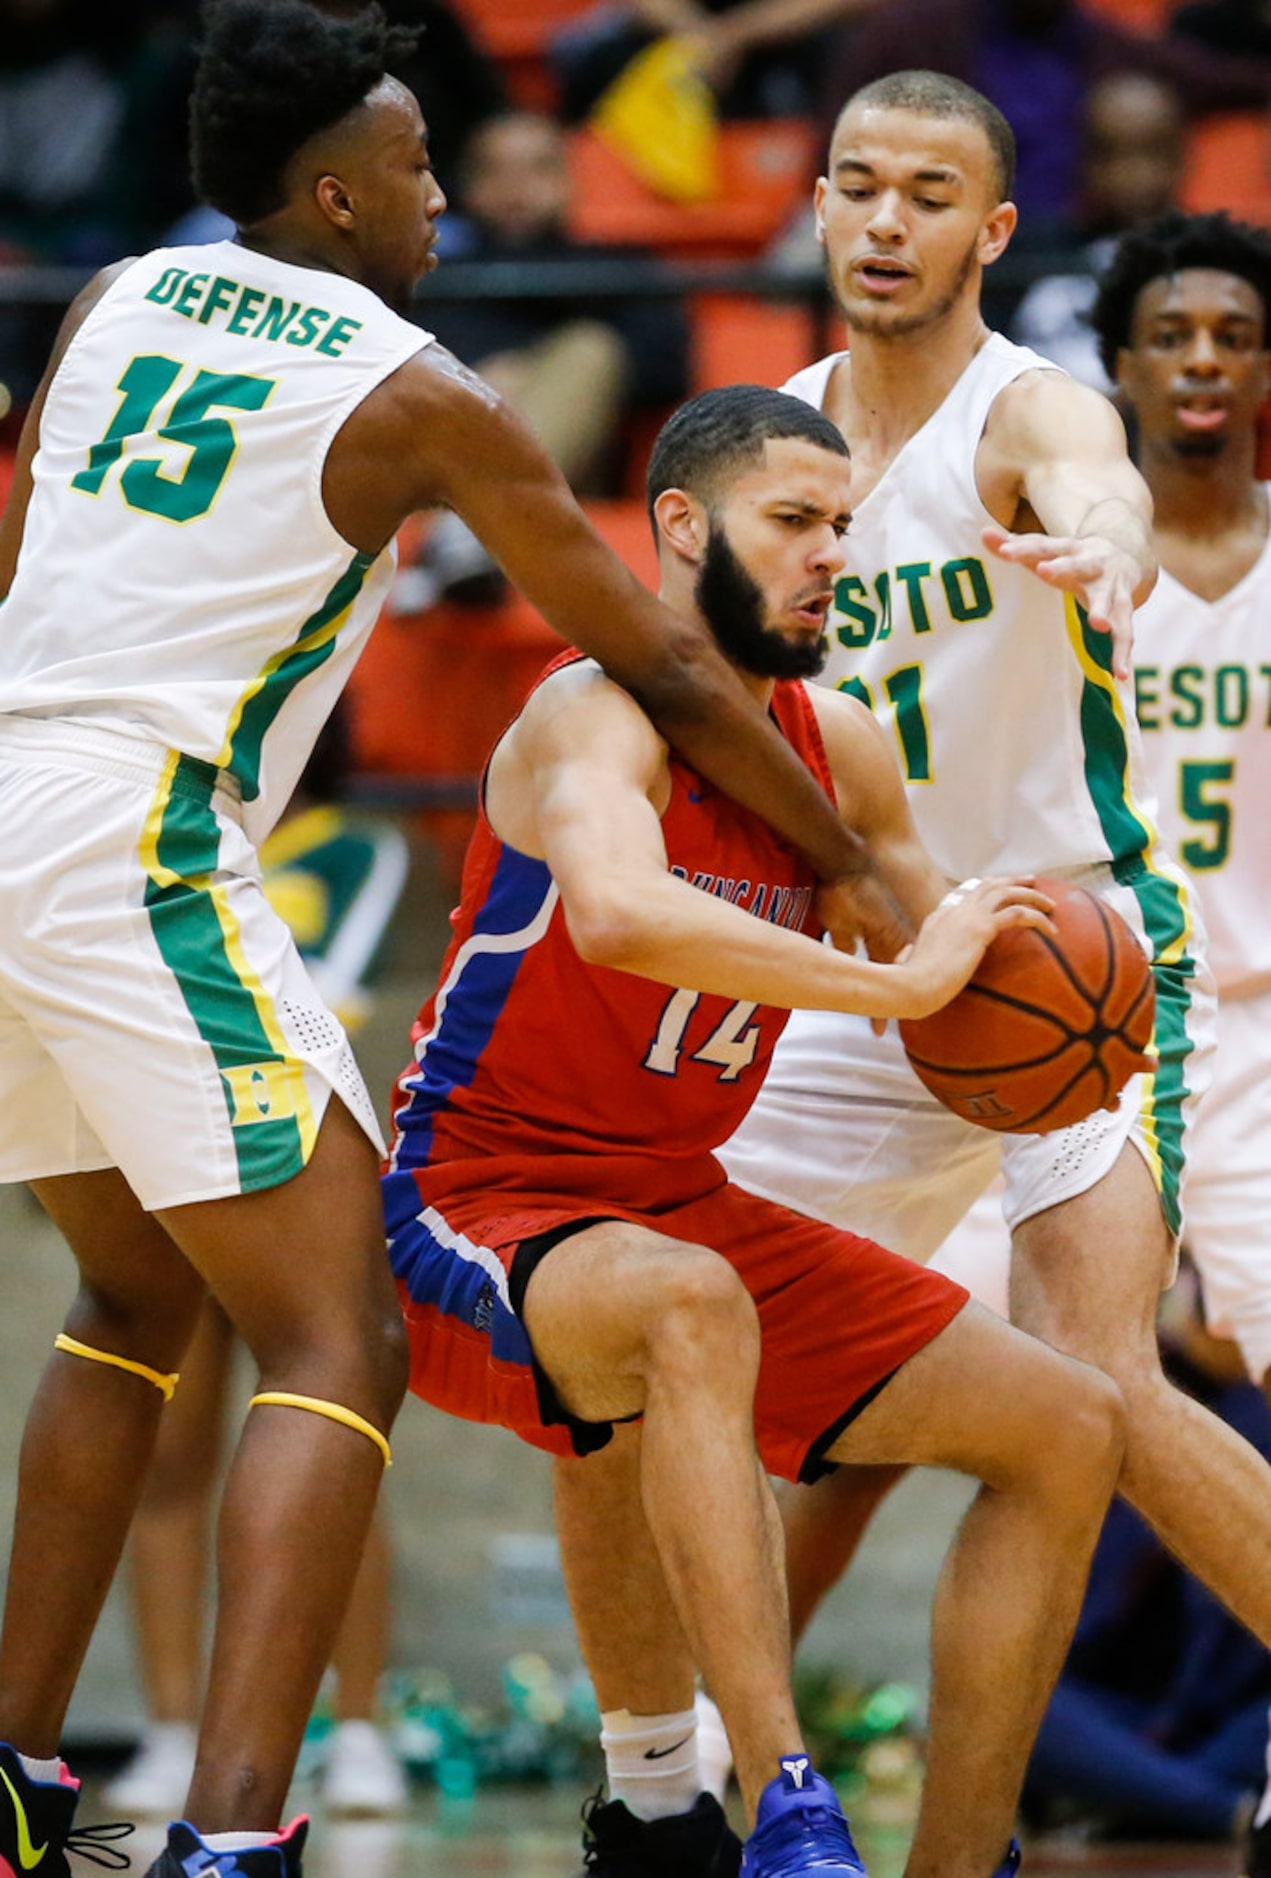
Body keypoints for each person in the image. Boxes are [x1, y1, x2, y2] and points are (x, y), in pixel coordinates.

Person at [0, 2, 911, 1872]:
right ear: (331, 193)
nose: (437, 197)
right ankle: (236, 1834)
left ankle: (16, 1773)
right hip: (140, 825)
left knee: (132, 1297)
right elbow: (661, 651)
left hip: (11, 786)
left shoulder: (103, 303)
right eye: (413, 167)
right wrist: (852, 858)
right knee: (342, 1329)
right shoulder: (413, 383)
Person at [385, 380, 1125, 1878]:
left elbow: (941, 941)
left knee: (1066, 1426)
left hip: (672, 1195)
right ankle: (770, 1798)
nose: (829, 553)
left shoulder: (834, 744)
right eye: (791, 520)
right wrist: (893, 972)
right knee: (683, 1306)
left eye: (841, 525)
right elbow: (616, 912)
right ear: (674, 525)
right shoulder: (582, 716)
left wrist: (1070, 982)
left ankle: (953, 1856)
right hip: (478, 1197)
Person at [713, 66, 1271, 1762]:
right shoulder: (766, 446)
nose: (887, 221)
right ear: (817, 205)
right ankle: (678, 1770)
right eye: (859, 185)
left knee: (1099, 1381)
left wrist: (1107, 543)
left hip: (1062, 958)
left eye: (930, 194)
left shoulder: (1025, 411)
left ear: (992, 227)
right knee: (679, 1341)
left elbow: (1088, 473)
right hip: (864, 967)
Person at [106, 708, 410, 1822]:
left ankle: (362, 1726)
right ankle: (171, 1726)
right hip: (168, 1159)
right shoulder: (142, 818)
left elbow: (336, 980)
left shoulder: (347, 846)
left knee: (337, 1432)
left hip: (294, 1164)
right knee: (171, 1458)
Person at [1085, 207, 1271, 1872]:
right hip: (1089, 1031)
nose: (1203, 359)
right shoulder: (1072, 558)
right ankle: (718, 1763)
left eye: (1233, 331)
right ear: (1121, 363)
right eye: (1172, 333)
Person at [395, 108, 691, 610]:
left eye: (537, 169)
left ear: (568, 179)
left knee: (590, 352)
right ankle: (465, 538)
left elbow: (666, 372)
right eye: (497, 171)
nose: (517, 188)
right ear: (464, 186)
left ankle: (464, 540)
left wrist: (530, 376)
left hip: (573, 481)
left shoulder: (619, 269)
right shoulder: (427, 277)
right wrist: (483, 380)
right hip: (441, 470)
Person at [816, 0, 1271, 239]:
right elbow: (840, 146)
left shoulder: (1107, 45)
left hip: (1073, 249)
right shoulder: (911, 34)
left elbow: (1226, 80)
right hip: (954, 249)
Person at [1010, 69, 1185, 391]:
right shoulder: (1031, 256)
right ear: (1083, 160)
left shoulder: (1211, 266)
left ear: (1181, 158)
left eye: (1152, 151)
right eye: (1109, 153)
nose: (1131, 174)